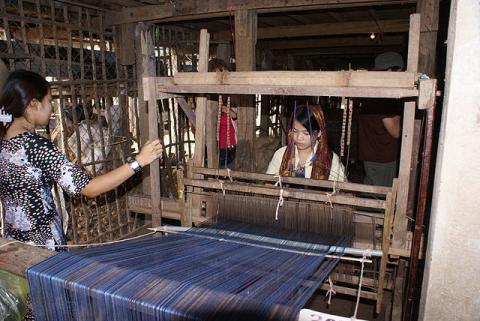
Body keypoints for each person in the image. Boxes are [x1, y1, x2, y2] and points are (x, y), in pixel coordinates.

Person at [0, 70, 163, 250]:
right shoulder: (35, 146)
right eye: (49, 101)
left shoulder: (4, 142)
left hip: (14, 245)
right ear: (34, 104)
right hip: (43, 250)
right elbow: (89, 188)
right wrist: (139, 161)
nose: (51, 107)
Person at [266, 104, 345, 181]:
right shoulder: (281, 155)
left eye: (306, 133)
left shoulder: (330, 160)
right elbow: (268, 185)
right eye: (295, 131)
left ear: (319, 133)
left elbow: (342, 191)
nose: (299, 137)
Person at [358, 52, 403, 187]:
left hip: (371, 153)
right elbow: (395, 131)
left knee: (373, 189)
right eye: (400, 72)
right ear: (390, 71)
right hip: (382, 156)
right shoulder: (384, 96)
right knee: (381, 194)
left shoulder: (371, 90)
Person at [208, 58, 237, 169]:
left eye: (224, 75)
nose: (221, 79)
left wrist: (234, 115)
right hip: (213, 149)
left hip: (231, 149)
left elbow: (241, 122)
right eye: (218, 75)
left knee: (230, 178)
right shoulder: (204, 99)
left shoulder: (232, 97)